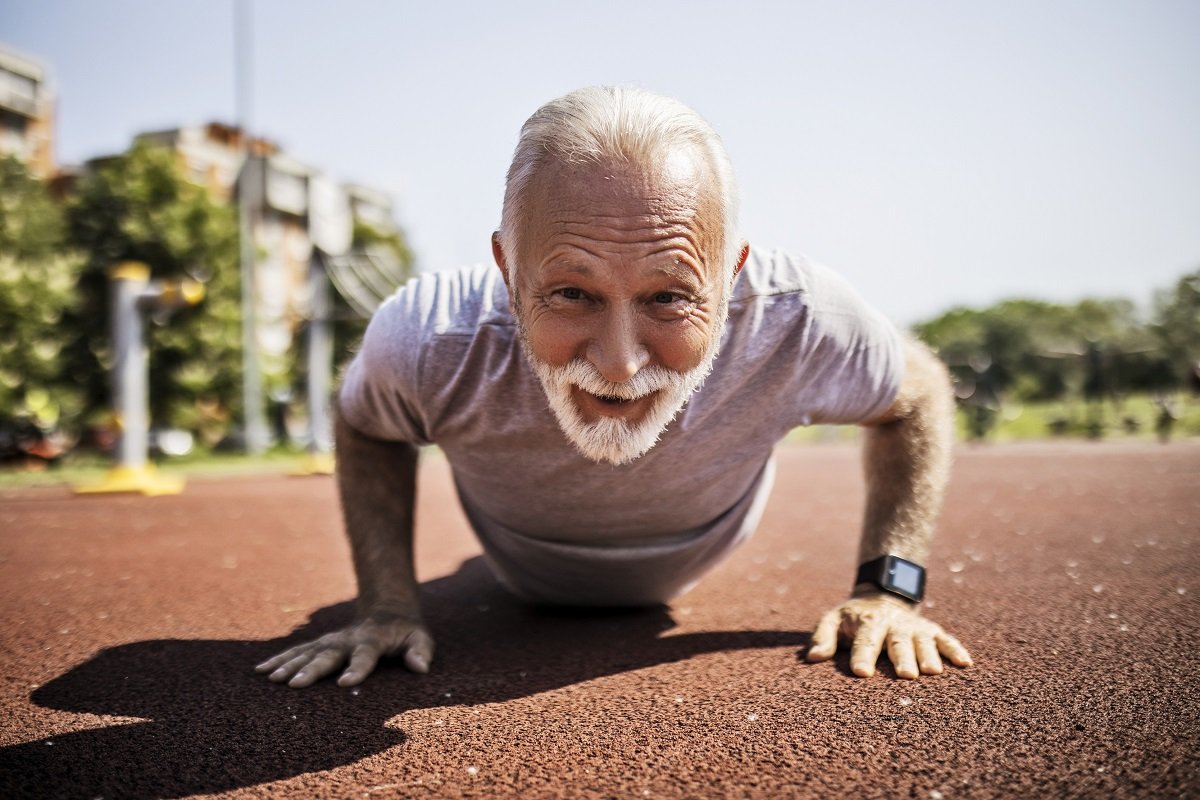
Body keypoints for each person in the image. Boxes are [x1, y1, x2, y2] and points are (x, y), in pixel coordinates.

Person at [255, 86, 973, 689]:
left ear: (732, 276)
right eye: (572, 292)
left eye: (668, 299)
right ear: (507, 271)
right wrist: (385, 604)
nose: (621, 364)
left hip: (704, 537)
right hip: (517, 559)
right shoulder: (428, 337)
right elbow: (365, 422)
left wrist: (889, 589)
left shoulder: (801, 314)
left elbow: (917, 395)